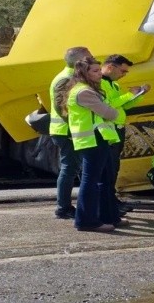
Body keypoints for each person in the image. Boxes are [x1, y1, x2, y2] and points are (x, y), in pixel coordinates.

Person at [55, 56, 135, 232]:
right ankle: (86, 221)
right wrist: (114, 110)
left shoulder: (90, 90)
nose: (100, 74)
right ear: (84, 73)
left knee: (105, 181)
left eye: (99, 70)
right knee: (91, 182)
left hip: (99, 138)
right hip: (91, 140)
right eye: (95, 71)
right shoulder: (84, 92)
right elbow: (109, 113)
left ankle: (109, 216)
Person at [100, 54, 150, 215]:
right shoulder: (100, 83)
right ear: (110, 67)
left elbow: (123, 106)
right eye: (123, 71)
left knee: (114, 167)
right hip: (109, 129)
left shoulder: (113, 84)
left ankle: (111, 199)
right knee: (109, 168)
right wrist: (129, 95)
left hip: (117, 128)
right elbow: (107, 105)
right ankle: (108, 201)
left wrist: (139, 94)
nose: (124, 75)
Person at [50, 46, 92, 220]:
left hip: (69, 130)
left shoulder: (72, 77)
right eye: (89, 58)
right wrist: (72, 129)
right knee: (69, 169)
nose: (92, 59)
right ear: (78, 62)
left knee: (73, 168)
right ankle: (63, 208)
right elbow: (62, 109)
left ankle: (67, 206)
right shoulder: (67, 79)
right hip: (66, 131)